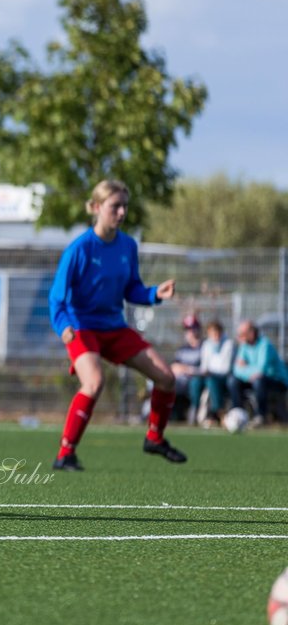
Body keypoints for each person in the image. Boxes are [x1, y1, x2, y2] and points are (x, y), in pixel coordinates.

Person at [48, 179, 186, 471]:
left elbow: (132, 289)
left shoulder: (127, 245)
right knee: (94, 382)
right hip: (81, 327)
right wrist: (63, 327)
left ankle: (154, 438)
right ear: (97, 207)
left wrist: (153, 294)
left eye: (125, 206)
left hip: (114, 326)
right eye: (115, 206)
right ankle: (65, 454)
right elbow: (56, 298)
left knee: (166, 377)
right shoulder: (79, 249)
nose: (121, 212)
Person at [227, 320, 288, 426]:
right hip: (254, 379)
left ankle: (260, 415)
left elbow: (262, 369)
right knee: (233, 380)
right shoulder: (244, 346)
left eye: (242, 334)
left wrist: (246, 367)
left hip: (277, 381)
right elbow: (236, 369)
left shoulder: (265, 345)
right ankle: (238, 413)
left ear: (251, 333)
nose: (239, 337)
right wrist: (250, 373)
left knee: (259, 381)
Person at [198, 319, 234, 426]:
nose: (215, 335)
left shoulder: (228, 344)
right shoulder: (206, 345)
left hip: (223, 377)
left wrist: (211, 372)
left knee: (211, 381)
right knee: (195, 383)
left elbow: (226, 368)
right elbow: (204, 365)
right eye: (212, 333)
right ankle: (195, 410)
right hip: (209, 375)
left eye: (217, 332)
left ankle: (216, 412)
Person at [169, 321, 203, 422]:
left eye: (193, 329)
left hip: (195, 379)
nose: (190, 332)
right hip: (180, 380)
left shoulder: (204, 347)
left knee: (194, 383)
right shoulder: (182, 349)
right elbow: (175, 366)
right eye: (188, 330)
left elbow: (204, 368)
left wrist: (187, 369)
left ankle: (193, 412)